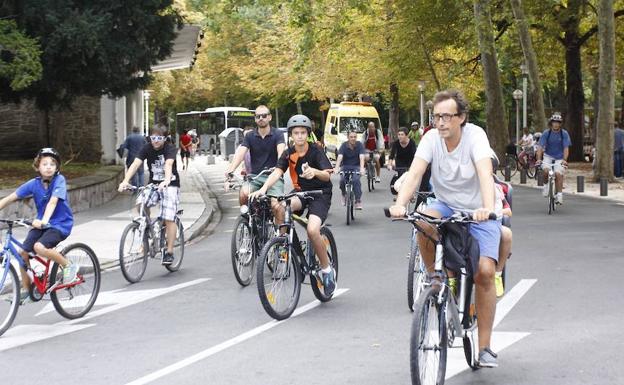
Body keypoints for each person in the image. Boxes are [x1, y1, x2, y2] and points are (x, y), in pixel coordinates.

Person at [389, 90, 501, 368]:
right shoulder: (430, 139)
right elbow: (415, 174)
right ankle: (436, 279)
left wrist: (487, 208)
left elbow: (486, 174)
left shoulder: (475, 137)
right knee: (422, 220)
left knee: (485, 273)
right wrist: (400, 204)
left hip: (479, 210)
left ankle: (485, 347)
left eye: (446, 117)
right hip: (446, 204)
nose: (440, 122)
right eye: (436, 116)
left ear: (461, 118)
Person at [249, 114, 336, 296]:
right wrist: (263, 188)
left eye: (303, 132)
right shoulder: (288, 152)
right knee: (279, 206)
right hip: (302, 193)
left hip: (320, 194)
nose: (299, 136)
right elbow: (278, 172)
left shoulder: (316, 150)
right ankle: (286, 246)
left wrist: (315, 172)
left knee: (313, 231)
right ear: (291, 135)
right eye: (296, 133)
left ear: (308, 134)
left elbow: (328, 176)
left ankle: (327, 270)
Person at [0, 148, 77, 304]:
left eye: (52, 164)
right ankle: (28, 291)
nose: (48, 167)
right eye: (45, 164)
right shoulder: (33, 184)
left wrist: (43, 220)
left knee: (39, 247)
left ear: (57, 168)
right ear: (38, 166)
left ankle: (68, 265)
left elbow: (53, 202)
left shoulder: (59, 180)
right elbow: (10, 197)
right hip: (41, 224)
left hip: (60, 224)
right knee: (22, 253)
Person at [118, 125, 181, 265]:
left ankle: (169, 252)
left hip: (170, 185)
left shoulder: (170, 149)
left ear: (164, 139)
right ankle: (145, 228)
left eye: (159, 138)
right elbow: (135, 164)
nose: (156, 141)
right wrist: (125, 181)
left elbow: (169, 164)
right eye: (153, 138)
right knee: (140, 202)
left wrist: (166, 180)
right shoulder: (146, 148)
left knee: (169, 217)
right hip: (154, 185)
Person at [224, 105, 286, 224]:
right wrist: (230, 170)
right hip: (255, 177)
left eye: (264, 116)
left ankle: (281, 240)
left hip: (274, 177)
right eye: (258, 116)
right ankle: (248, 221)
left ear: (270, 117)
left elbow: (281, 152)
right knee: (243, 194)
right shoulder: (250, 136)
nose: (261, 118)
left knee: (276, 206)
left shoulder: (277, 134)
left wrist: (279, 166)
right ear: (255, 119)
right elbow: (240, 153)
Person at [536, 113, 571, 204]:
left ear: (560, 124)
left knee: (558, 174)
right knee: (545, 171)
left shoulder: (564, 134)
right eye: (554, 122)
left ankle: (559, 195)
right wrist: (539, 159)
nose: (556, 124)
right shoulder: (546, 133)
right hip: (548, 156)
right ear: (551, 123)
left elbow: (566, 148)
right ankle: (546, 185)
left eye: (558, 122)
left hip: (559, 158)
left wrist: (564, 160)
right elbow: (540, 147)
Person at [335, 129, 366, 209]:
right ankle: (343, 194)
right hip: (345, 166)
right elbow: (340, 157)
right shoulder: (343, 145)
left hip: (356, 167)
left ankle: (358, 200)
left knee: (356, 180)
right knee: (342, 180)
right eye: (351, 137)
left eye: (355, 137)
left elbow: (361, 157)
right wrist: (336, 168)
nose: (353, 138)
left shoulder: (359, 145)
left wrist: (362, 168)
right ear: (348, 137)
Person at [388, 127, 416, 197]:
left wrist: (414, 166)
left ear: (406, 136)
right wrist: (389, 164)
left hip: (410, 162)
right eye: (399, 134)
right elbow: (391, 156)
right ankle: (399, 195)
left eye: (402, 134)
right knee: (400, 177)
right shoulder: (396, 143)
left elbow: (415, 156)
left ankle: (412, 194)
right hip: (400, 163)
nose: (400, 136)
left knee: (410, 178)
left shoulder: (412, 143)